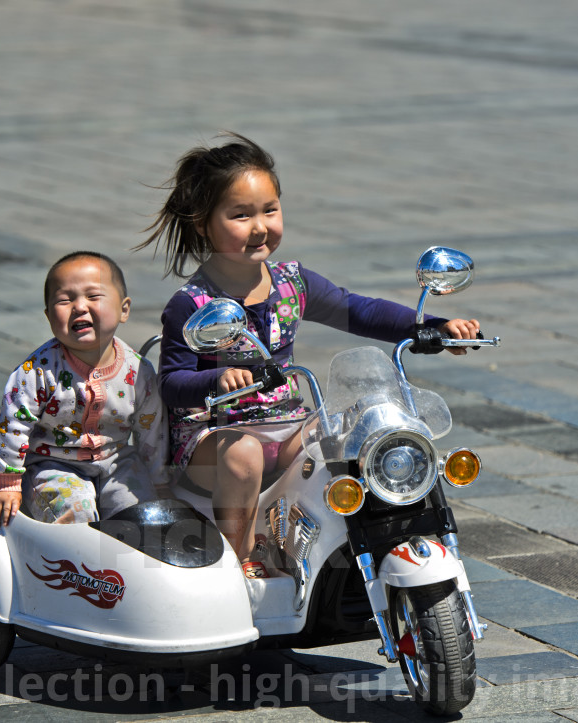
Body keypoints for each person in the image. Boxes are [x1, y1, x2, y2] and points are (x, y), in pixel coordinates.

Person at [134, 133, 481, 578]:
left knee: (358, 428)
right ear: (203, 223)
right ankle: (236, 560)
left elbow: (359, 310)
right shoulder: (192, 303)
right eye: (240, 215)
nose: (260, 226)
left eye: (269, 210)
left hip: (288, 423)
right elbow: (173, 383)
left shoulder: (292, 283)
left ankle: (357, 545)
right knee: (244, 457)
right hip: (215, 438)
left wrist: (433, 326)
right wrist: (217, 381)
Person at [0, 251, 167, 527]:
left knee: (143, 513)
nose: (79, 306)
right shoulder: (37, 371)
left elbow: (152, 431)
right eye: (65, 300)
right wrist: (8, 482)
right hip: (53, 465)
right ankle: (73, 567)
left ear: (124, 309)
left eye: (93, 296)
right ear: (49, 316)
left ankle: (125, 565)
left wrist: (160, 483)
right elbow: (13, 426)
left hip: (116, 461)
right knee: (77, 512)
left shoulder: (138, 371)